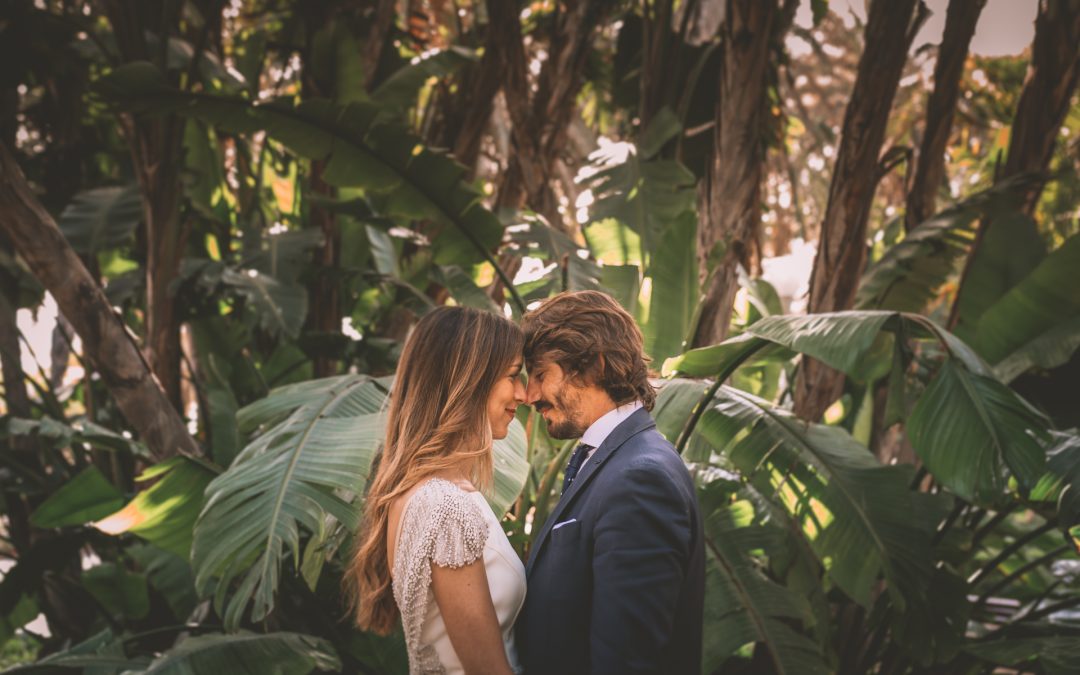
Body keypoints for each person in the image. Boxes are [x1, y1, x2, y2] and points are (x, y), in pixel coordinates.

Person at [515, 290, 705, 675]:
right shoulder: (613, 460)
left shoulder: (641, 480)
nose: (530, 396)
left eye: (540, 375)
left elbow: (627, 661)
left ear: (594, 367)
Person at [345, 306, 527, 674]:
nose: (522, 394)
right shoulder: (445, 506)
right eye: (512, 376)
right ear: (469, 381)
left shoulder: (421, 493)